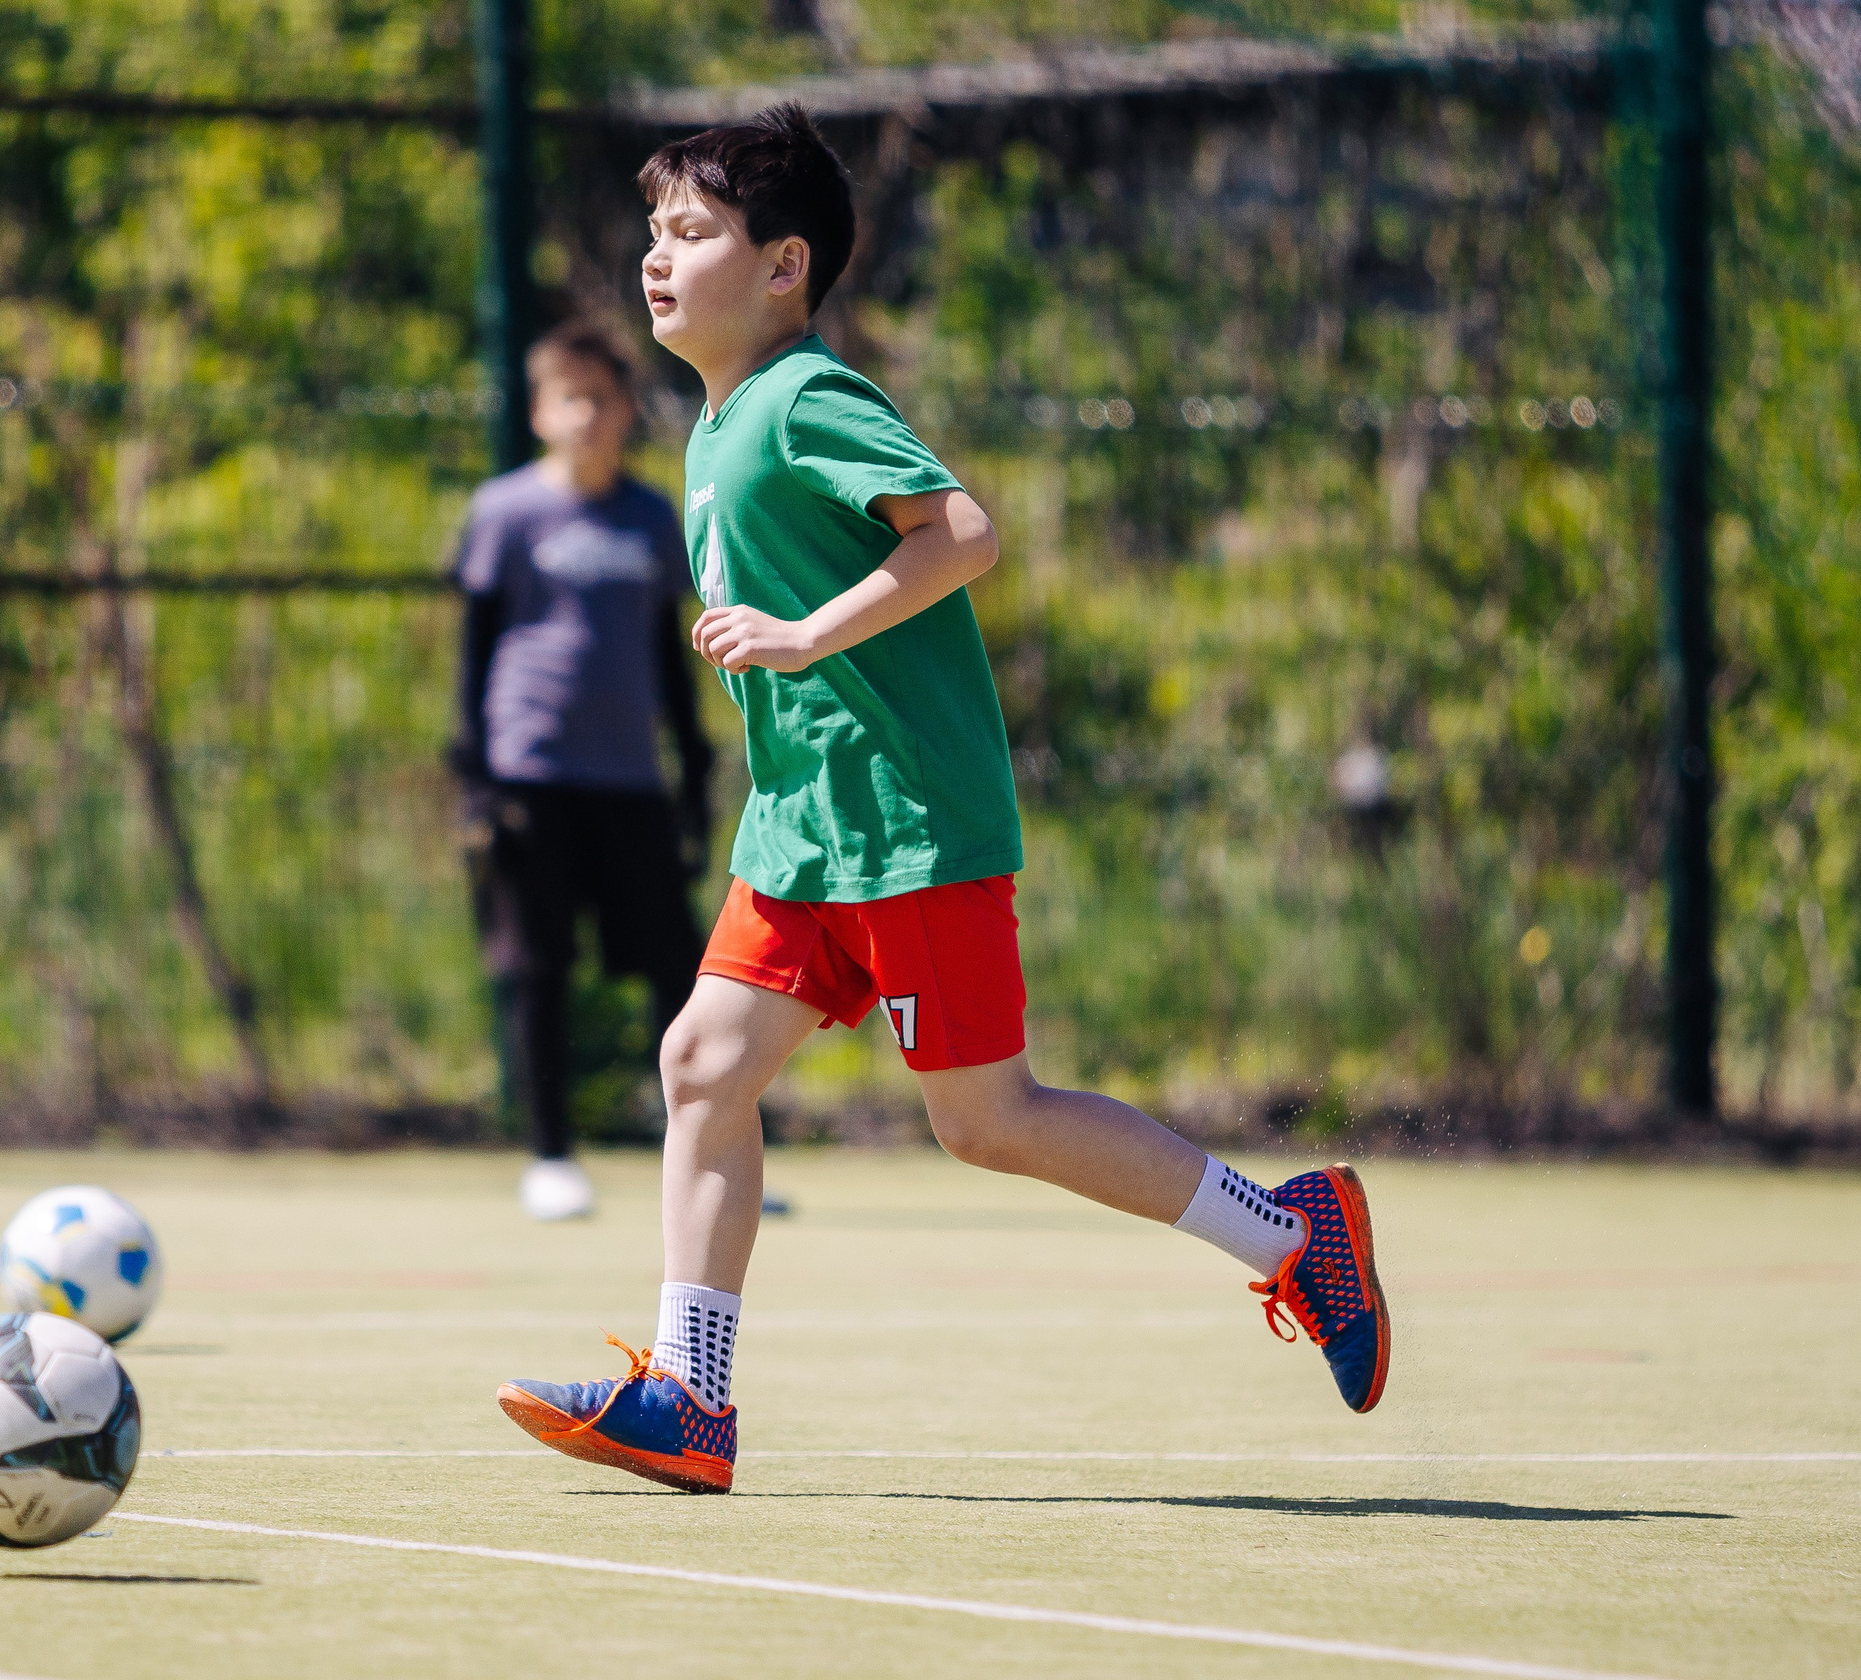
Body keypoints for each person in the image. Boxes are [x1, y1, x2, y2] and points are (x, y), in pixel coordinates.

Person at [495, 105, 1391, 1492]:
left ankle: (1294, 1235)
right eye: (655, 234)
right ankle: (692, 1397)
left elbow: (962, 532)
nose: (657, 261)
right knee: (701, 1065)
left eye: (693, 234)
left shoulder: (805, 395)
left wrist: (800, 636)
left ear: (784, 264)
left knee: (988, 1119)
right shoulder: (719, 423)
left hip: (910, 827)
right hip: (803, 839)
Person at [450, 318, 717, 1222]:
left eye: (606, 399)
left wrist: (694, 769)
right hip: (532, 772)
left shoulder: (648, 517)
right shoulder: (506, 513)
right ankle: (551, 1153)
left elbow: (667, 653)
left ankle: (706, 1147)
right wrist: (477, 779)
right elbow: (474, 650)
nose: (591, 417)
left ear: (627, 411)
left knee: (679, 968)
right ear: (541, 413)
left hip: (630, 779)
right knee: (539, 964)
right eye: (573, 399)